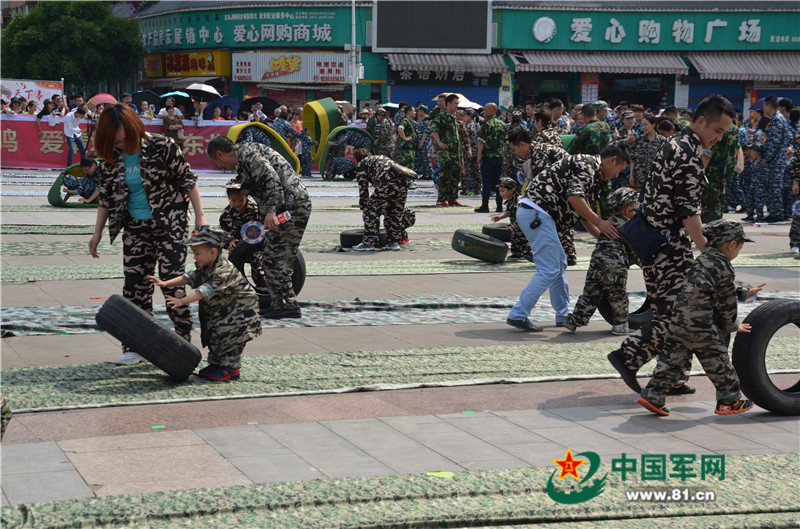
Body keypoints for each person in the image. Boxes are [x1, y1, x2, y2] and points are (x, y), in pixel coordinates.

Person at [608, 93, 737, 395]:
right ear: (701, 121)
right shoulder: (687, 154)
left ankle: (674, 377)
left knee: (670, 313)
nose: (719, 139)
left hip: (652, 242)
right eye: (718, 131)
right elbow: (688, 209)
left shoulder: (675, 143)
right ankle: (629, 355)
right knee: (683, 316)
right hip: (669, 247)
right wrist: (707, 250)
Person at [88, 103, 208, 365]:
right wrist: (96, 234)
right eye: (114, 139)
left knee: (171, 283)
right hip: (135, 227)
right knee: (134, 287)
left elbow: (188, 181)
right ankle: (135, 346)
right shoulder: (111, 158)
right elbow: (106, 198)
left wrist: (200, 216)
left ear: (133, 127)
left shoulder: (162, 146)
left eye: (122, 136)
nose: (120, 142)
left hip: (170, 225)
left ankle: (182, 344)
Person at [637, 220, 764, 416]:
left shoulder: (703, 260)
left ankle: (652, 395)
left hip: (678, 320)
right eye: (739, 247)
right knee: (718, 361)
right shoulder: (723, 265)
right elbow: (725, 302)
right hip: (700, 324)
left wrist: (745, 292)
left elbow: (712, 287)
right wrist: (732, 325)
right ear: (731, 245)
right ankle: (728, 400)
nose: (737, 252)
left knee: (672, 361)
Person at [507, 144, 629, 332]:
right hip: (537, 213)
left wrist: (604, 240)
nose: (615, 176)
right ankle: (518, 314)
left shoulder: (593, 174)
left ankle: (562, 315)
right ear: (612, 160)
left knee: (559, 263)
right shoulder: (587, 165)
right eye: (618, 170)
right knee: (549, 268)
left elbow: (582, 214)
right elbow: (574, 198)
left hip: (538, 214)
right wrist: (601, 222)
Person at [207, 136, 311, 319]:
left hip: (292, 208)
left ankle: (288, 305)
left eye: (216, 161)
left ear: (220, 154)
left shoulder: (248, 154)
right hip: (286, 208)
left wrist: (270, 212)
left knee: (275, 258)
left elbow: (272, 180)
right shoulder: (245, 158)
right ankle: (280, 304)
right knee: (272, 256)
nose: (219, 165)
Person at [147, 228, 261, 382]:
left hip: (240, 313)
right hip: (222, 310)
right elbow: (189, 277)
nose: (195, 257)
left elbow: (202, 292)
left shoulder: (223, 271)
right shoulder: (206, 266)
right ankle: (216, 364)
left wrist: (182, 301)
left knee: (231, 338)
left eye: (197, 253)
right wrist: (165, 283)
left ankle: (231, 369)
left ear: (212, 252)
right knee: (214, 333)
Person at [563, 187, 639, 335]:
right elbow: (633, 248)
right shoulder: (629, 226)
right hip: (614, 269)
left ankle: (573, 321)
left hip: (595, 266)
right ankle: (621, 326)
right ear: (628, 209)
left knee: (589, 295)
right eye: (636, 207)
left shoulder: (607, 223)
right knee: (618, 296)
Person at [352, 149, 412, 252]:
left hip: (387, 181)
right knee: (394, 212)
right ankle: (393, 242)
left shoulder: (361, 164)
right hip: (403, 182)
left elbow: (363, 189)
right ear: (369, 154)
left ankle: (368, 243)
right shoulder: (379, 158)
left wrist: (364, 209)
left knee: (371, 209)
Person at [219, 182, 268, 290]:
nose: (237, 203)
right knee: (233, 271)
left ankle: (262, 292)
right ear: (229, 199)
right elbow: (223, 232)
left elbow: (263, 226)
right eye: (233, 200)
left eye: (241, 200)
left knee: (259, 272)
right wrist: (229, 242)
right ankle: (237, 291)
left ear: (246, 196)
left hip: (253, 246)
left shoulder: (255, 209)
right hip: (236, 247)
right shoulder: (226, 214)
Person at [761, 96, 795, 222]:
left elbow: (774, 143)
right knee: (775, 186)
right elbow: (787, 137)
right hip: (778, 158)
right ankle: (776, 212)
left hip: (775, 159)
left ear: (769, 106)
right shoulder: (780, 118)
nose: (763, 108)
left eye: (764, 106)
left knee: (775, 187)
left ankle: (776, 214)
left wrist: (766, 158)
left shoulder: (776, 119)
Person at [701, 121, 740, 222]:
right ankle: (717, 222)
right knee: (719, 197)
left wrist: (701, 170)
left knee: (709, 199)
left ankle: (711, 224)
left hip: (712, 168)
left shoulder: (716, 125)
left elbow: (708, 149)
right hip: (725, 168)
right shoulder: (733, 127)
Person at [430, 94, 462, 207]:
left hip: (455, 152)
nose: (457, 106)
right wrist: (439, 143)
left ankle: (452, 198)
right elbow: (433, 128)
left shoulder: (453, 117)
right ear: (448, 103)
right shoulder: (442, 116)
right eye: (455, 104)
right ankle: (441, 199)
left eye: (458, 104)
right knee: (445, 175)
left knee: (455, 175)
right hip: (446, 152)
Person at [475, 102, 506, 213]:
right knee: (498, 182)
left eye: (486, 109)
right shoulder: (502, 124)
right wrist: (503, 155)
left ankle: (485, 205)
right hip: (499, 157)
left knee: (486, 182)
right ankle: (499, 206)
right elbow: (504, 142)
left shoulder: (486, 124)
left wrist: (479, 155)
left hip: (487, 157)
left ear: (491, 110)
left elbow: (481, 142)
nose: (484, 112)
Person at [491, 177, 531, 260]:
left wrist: (514, 225)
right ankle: (517, 253)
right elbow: (509, 212)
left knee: (522, 237)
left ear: (511, 190)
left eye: (503, 191)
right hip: (516, 223)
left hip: (523, 222)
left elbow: (523, 215)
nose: (501, 193)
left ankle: (527, 253)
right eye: (499, 191)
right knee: (515, 236)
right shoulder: (510, 200)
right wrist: (500, 217)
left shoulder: (519, 200)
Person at [627, 113, 665, 191]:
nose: (643, 127)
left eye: (645, 125)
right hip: (640, 179)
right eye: (642, 125)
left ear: (653, 125)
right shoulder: (638, 140)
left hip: (656, 178)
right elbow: (632, 159)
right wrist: (631, 175)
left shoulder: (662, 141)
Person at [462, 109, 481, 195]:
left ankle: (465, 190)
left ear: (469, 116)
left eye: (465, 115)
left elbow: (464, 139)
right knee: (476, 171)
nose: (464, 117)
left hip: (467, 151)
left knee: (466, 171)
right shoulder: (478, 125)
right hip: (476, 151)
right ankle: (477, 189)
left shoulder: (466, 126)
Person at [414, 105, 433, 181]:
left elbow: (426, 131)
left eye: (418, 111)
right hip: (422, 142)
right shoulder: (422, 120)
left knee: (426, 158)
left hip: (425, 142)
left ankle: (430, 174)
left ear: (422, 111)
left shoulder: (426, 119)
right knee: (422, 158)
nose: (417, 112)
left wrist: (421, 142)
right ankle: (425, 174)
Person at [396, 105, 417, 169]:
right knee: (407, 166)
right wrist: (405, 138)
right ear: (409, 112)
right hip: (407, 148)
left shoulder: (412, 121)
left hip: (411, 147)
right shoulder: (405, 120)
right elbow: (400, 129)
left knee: (411, 165)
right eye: (413, 111)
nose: (415, 112)